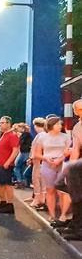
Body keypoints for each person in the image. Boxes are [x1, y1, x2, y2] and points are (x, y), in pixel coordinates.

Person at [33, 116, 71, 225]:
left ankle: (63, 215)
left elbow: (68, 151)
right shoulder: (42, 137)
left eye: (61, 124)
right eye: (58, 124)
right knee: (50, 190)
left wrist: (60, 159)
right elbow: (37, 154)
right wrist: (46, 158)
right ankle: (52, 214)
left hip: (63, 164)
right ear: (51, 125)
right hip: (47, 164)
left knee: (63, 191)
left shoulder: (66, 137)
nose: (60, 126)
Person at [57, 99, 82, 240]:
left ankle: (77, 227)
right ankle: (75, 224)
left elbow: (76, 150)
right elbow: (76, 149)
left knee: (77, 196)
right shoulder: (78, 126)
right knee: (75, 194)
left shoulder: (78, 126)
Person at [0, 116, 20, 214]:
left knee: (7, 184)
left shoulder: (12, 135)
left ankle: (9, 204)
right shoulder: (4, 134)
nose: (0, 124)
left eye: (2, 122)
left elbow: (15, 150)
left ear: (8, 124)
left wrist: (8, 162)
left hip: (5, 164)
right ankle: (3, 201)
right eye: (0, 122)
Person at [28, 118, 47, 209]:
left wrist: (32, 158)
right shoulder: (44, 135)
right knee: (42, 180)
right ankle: (42, 198)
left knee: (36, 179)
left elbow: (37, 149)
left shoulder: (40, 136)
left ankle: (37, 199)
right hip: (41, 161)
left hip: (38, 161)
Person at [14, 123, 33, 188]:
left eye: (19, 128)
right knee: (23, 167)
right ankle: (25, 182)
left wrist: (19, 137)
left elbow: (20, 143)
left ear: (22, 128)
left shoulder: (24, 135)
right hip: (28, 152)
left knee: (16, 167)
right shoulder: (30, 135)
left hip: (23, 152)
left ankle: (19, 181)